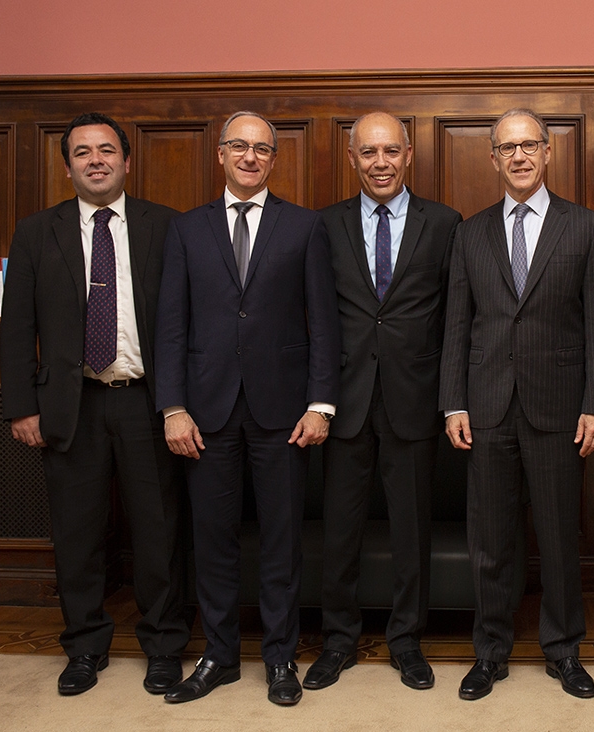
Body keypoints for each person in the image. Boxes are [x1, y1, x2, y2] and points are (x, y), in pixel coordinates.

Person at [0, 112, 190, 697]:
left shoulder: (167, 227)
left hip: (146, 402)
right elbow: (15, 329)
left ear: (128, 161)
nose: (96, 160)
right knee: (78, 535)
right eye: (83, 152)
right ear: (67, 167)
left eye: (107, 149)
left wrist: (182, 403)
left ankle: (163, 645)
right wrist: (20, 408)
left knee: (158, 531)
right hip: (70, 405)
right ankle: (84, 647)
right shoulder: (36, 232)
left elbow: (187, 321)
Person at [155, 111, 340, 706]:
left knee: (282, 541)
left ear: (274, 159)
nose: (250, 157)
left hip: (284, 412)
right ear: (221, 154)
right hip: (204, 412)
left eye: (262, 149)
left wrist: (321, 404)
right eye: (240, 146)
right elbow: (170, 327)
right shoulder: (186, 230)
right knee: (212, 539)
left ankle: (281, 659)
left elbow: (325, 326)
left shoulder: (306, 227)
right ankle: (220, 656)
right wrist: (172, 407)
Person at [440, 108, 594, 701]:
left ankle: (564, 649)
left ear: (548, 153)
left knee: (559, 537)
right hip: (486, 407)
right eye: (507, 147)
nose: (518, 156)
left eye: (529, 145)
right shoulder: (470, 231)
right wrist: (452, 403)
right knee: (491, 540)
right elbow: (458, 326)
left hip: (560, 408)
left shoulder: (587, 227)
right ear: (493, 158)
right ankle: (489, 651)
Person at [303, 112, 462, 692]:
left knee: (409, 529)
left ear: (409, 154)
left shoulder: (444, 223)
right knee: (340, 529)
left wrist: (451, 400)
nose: (380, 163)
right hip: (343, 402)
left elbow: (453, 320)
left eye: (390, 151)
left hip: (414, 400)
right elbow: (316, 317)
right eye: (368, 153)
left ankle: (406, 640)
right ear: (352, 159)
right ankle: (338, 641)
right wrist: (317, 399)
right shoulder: (325, 225)